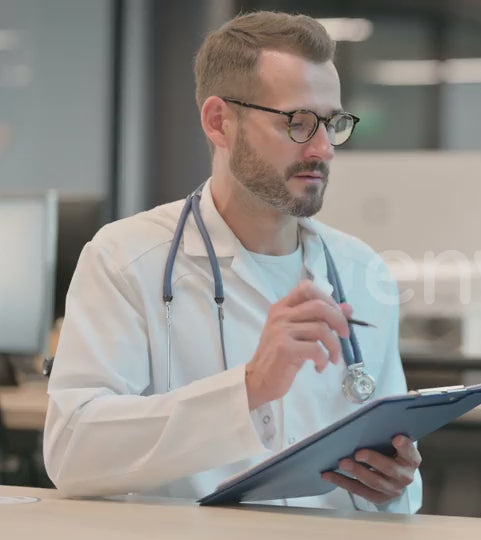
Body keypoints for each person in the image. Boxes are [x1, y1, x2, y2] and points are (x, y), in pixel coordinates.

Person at [42, 11, 422, 513]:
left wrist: (396, 485)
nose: (324, 148)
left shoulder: (360, 270)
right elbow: (73, 452)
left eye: (332, 123)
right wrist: (247, 390)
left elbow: (400, 484)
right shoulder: (126, 260)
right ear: (220, 121)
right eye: (298, 122)